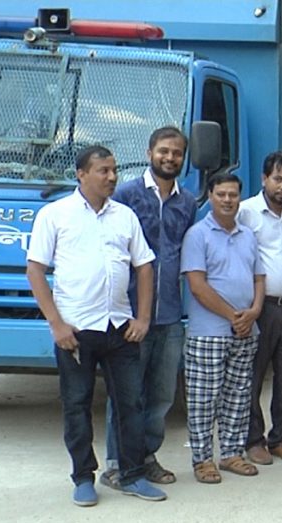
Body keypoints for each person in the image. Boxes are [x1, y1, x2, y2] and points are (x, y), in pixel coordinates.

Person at [26, 145, 165, 505]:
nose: (112, 177)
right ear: (81, 174)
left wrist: (143, 318)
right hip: (75, 330)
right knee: (77, 404)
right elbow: (35, 270)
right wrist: (56, 324)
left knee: (131, 403)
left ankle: (132, 474)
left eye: (114, 170)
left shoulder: (125, 216)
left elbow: (144, 266)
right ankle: (83, 477)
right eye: (104, 171)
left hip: (119, 327)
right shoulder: (55, 215)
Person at [101, 126, 196, 489]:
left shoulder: (187, 203)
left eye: (177, 153)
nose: (170, 158)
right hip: (129, 314)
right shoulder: (125, 195)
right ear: (149, 153)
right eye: (164, 151)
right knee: (126, 393)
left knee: (160, 396)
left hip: (169, 315)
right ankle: (116, 462)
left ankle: (146, 457)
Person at [181, 173, 264, 483]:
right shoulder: (197, 235)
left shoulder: (248, 235)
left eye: (233, 195)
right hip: (209, 333)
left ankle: (231, 453)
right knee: (203, 399)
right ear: (210, 197)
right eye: (221, 194)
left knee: (238, 396)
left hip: (246, 332)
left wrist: (254, 312)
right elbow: (197, 286)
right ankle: (202, 460)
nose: (228, 200)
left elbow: (259, 278)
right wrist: (234, 317)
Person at [238, 151, 282, 466]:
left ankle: (280, 438)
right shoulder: (246, 212)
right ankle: (253, 440)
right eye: (278, 179)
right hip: (260, 308)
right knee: (252, 375)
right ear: (264, 179)